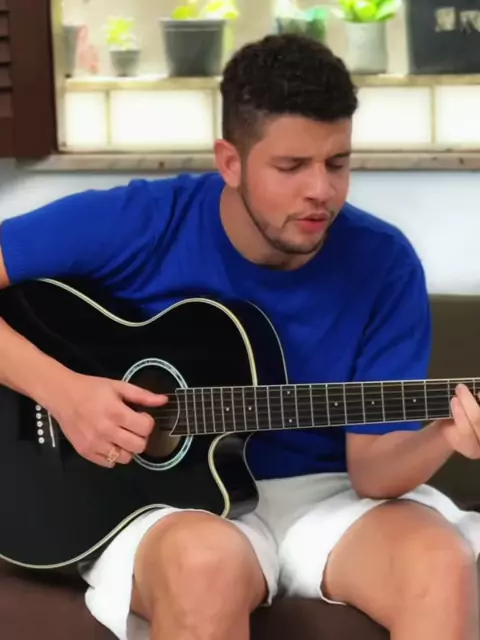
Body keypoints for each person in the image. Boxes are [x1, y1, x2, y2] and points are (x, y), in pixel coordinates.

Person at [0, 33, 479, 640]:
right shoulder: (143, 221)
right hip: (167, 502)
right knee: (206, 565)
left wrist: (443, 435)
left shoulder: (384, 263)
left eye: (337, 163)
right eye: (291, 166)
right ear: (230, 162)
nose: (322, 191)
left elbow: (373, 473)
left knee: (440, 562)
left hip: (326, 498)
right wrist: (65, 393)